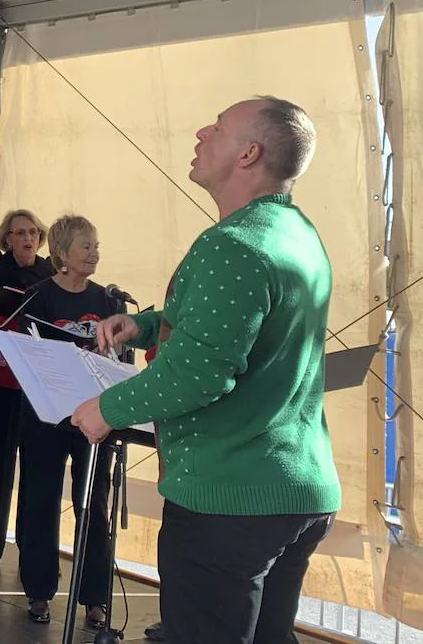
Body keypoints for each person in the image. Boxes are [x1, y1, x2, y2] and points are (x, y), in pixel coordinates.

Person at [74, 97, 340, 644]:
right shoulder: (296, 233)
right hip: (293, 491)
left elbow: (197, 374)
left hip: (228, 500)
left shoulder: (233, 245)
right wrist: (147, 326)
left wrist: (106, 409)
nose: (200, 132)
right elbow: (245, 321)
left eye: (217, 127)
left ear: (248, 152)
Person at [14, 214, 117, 628]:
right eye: (85, 246)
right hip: (47, 414)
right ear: (61, 254)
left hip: (95, 413)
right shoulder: (37, 297)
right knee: (40, 499)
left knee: (93, 503)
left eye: (96, 245)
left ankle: (94, 596)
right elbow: (24, 354)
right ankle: (39, 592)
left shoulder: (108, 301)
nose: (94, 253)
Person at [0, 209, 55, 568]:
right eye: (20, 233)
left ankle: (32, 552)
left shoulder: (50, 277)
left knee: (36, 467)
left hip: (37, 382)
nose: (28, 239)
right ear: (8, 239)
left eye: (33, 232)